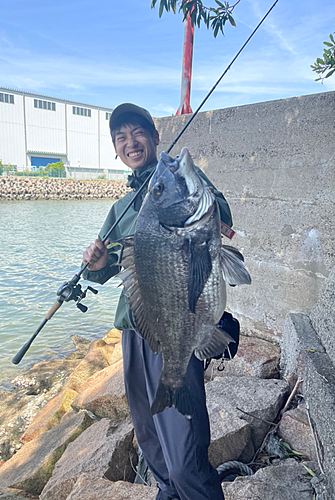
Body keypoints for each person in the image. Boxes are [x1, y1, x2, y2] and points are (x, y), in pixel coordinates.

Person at [82, 103, 232, 500]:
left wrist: (184, 182)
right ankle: (169, 492)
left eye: (138, 133)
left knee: (184, 452)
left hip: (176, 327)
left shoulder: (179, 186)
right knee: (150, 440)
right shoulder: (120, 209)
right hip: (135, 335)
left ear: (154, 137)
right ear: (116, 149)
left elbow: (218, 212)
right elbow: (109, 268)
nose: (130, 143)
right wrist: (97, 264)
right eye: (121, 137)